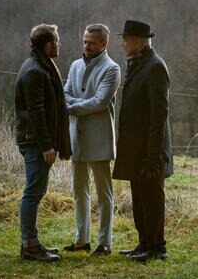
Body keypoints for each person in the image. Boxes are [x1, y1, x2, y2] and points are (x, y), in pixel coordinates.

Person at [112, 20, 174, 262]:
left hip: (150, 149)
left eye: (125, 39)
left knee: (152, 198)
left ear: (138, 41)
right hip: (137, 148)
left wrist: (153, 154)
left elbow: (159, 116)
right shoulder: (139, 63)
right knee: (139, 197)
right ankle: (143, 243)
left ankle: (157, 247)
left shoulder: (155, 67)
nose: (122, 43)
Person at [14, 24, 71, 262]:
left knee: (35, 191)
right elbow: (36, 112)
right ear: (48, 44)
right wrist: (47, 145)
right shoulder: (35, 70)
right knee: (33, 193)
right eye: (57, 41)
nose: (60, 44)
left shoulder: (39, 65)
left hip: (34, 140)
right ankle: (30, 245)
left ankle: (31, 242)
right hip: (35, 142)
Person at [62, 24, 121, 256]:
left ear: (104, 44)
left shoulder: (112, 68)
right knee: (79, 191)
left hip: (99, 139)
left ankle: (105, 242)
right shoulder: (75, 65)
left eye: (91, 42)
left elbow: (100, 101)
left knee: (104, 193)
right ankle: (81, 240)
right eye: (85, 41)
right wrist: (74, 105)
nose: (86, 46)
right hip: (76, 137)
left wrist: (72, 107)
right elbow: (65, 93)